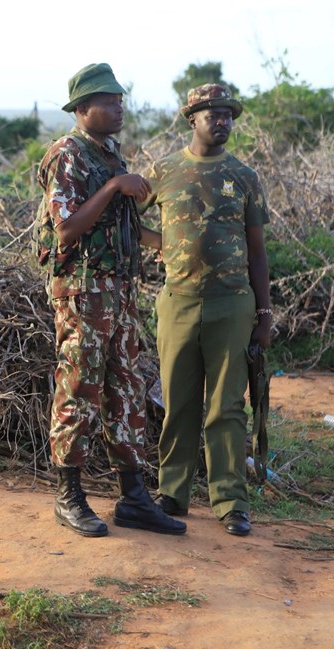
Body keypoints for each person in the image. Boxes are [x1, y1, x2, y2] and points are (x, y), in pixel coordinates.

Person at [37, 63, 186, 538]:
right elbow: (67, 227)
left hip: (118, 292)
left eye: (121, 99)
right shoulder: (67, 155)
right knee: (79, 389)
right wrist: (114, 186)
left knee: (127, 389)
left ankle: (133, 497)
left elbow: (120, 228)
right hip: (83, 291)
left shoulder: (110, 154)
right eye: (109, 101)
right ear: (82, 109)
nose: (120, 107)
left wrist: (171, 244)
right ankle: (69, 496)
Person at [142, 85, 272, 537]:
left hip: (233, 305)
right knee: (178, 402)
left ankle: (231, 500)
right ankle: (173, 492)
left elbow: (257, 251)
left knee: (227, 407)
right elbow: (125, 217)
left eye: (228, 115)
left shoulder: (244, 176)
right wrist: (164, 245)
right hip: (177, 302)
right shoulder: (163, 170)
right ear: (191, 119)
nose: (222, 122)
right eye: (212, 114)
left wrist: (265, 314)